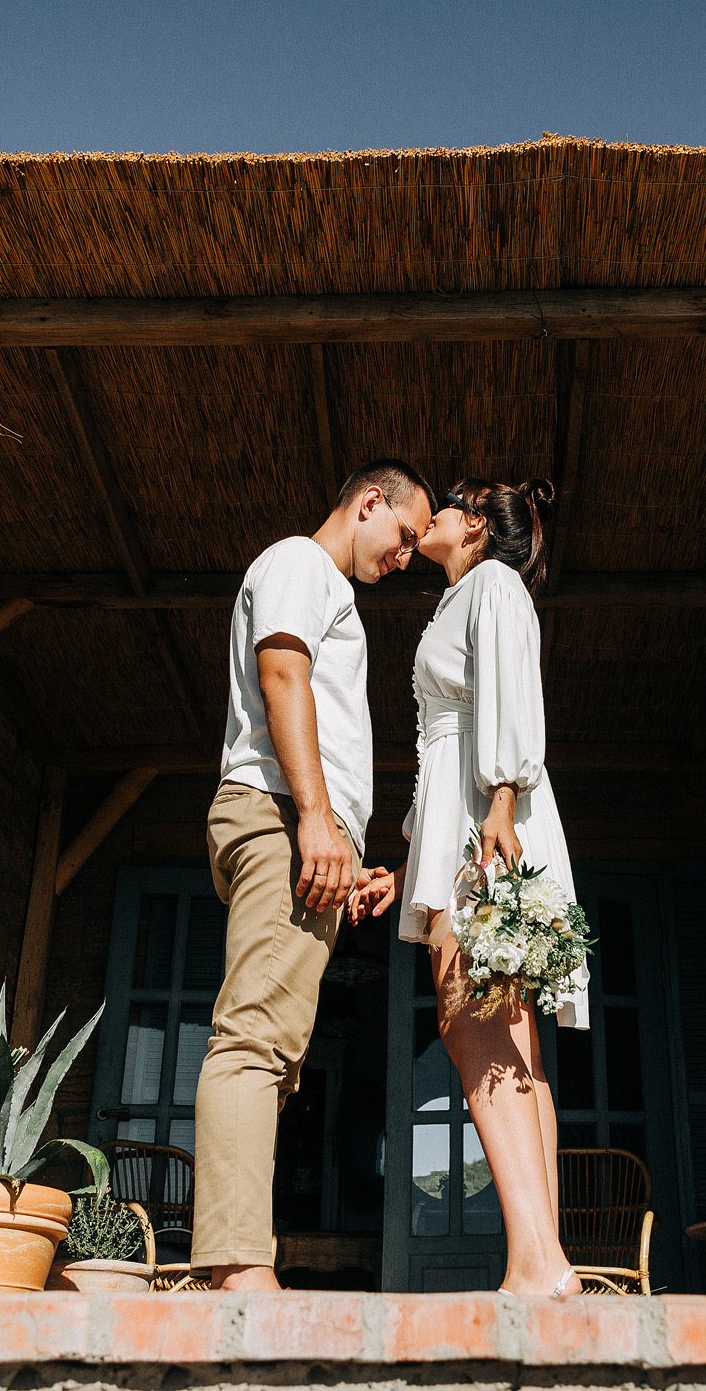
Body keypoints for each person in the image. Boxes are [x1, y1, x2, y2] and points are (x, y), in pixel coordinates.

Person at [192, 459, 436, 1292]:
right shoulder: (300, 560)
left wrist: (344, 851)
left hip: (298, 824)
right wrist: (314, 818)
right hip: (279, 813)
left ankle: (233, 1260)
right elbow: (282, 674)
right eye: (404, 534)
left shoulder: (327, 587)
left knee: (278, 1052)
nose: (405, 556)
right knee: (256, 1037)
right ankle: (237, 1269)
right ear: (370, 502)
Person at [354, 476, 584, 1299]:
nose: (435, 517)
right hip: (462, 814)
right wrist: (410, 859)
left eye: (449, 505)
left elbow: (512, 695)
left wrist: (501, 804)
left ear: (477, 524)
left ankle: (538, 1259)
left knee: (470, 1017)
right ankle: (544, 1258)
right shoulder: (463, 595)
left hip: (485, 819)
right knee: (511, 1036)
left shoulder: (493, 584)